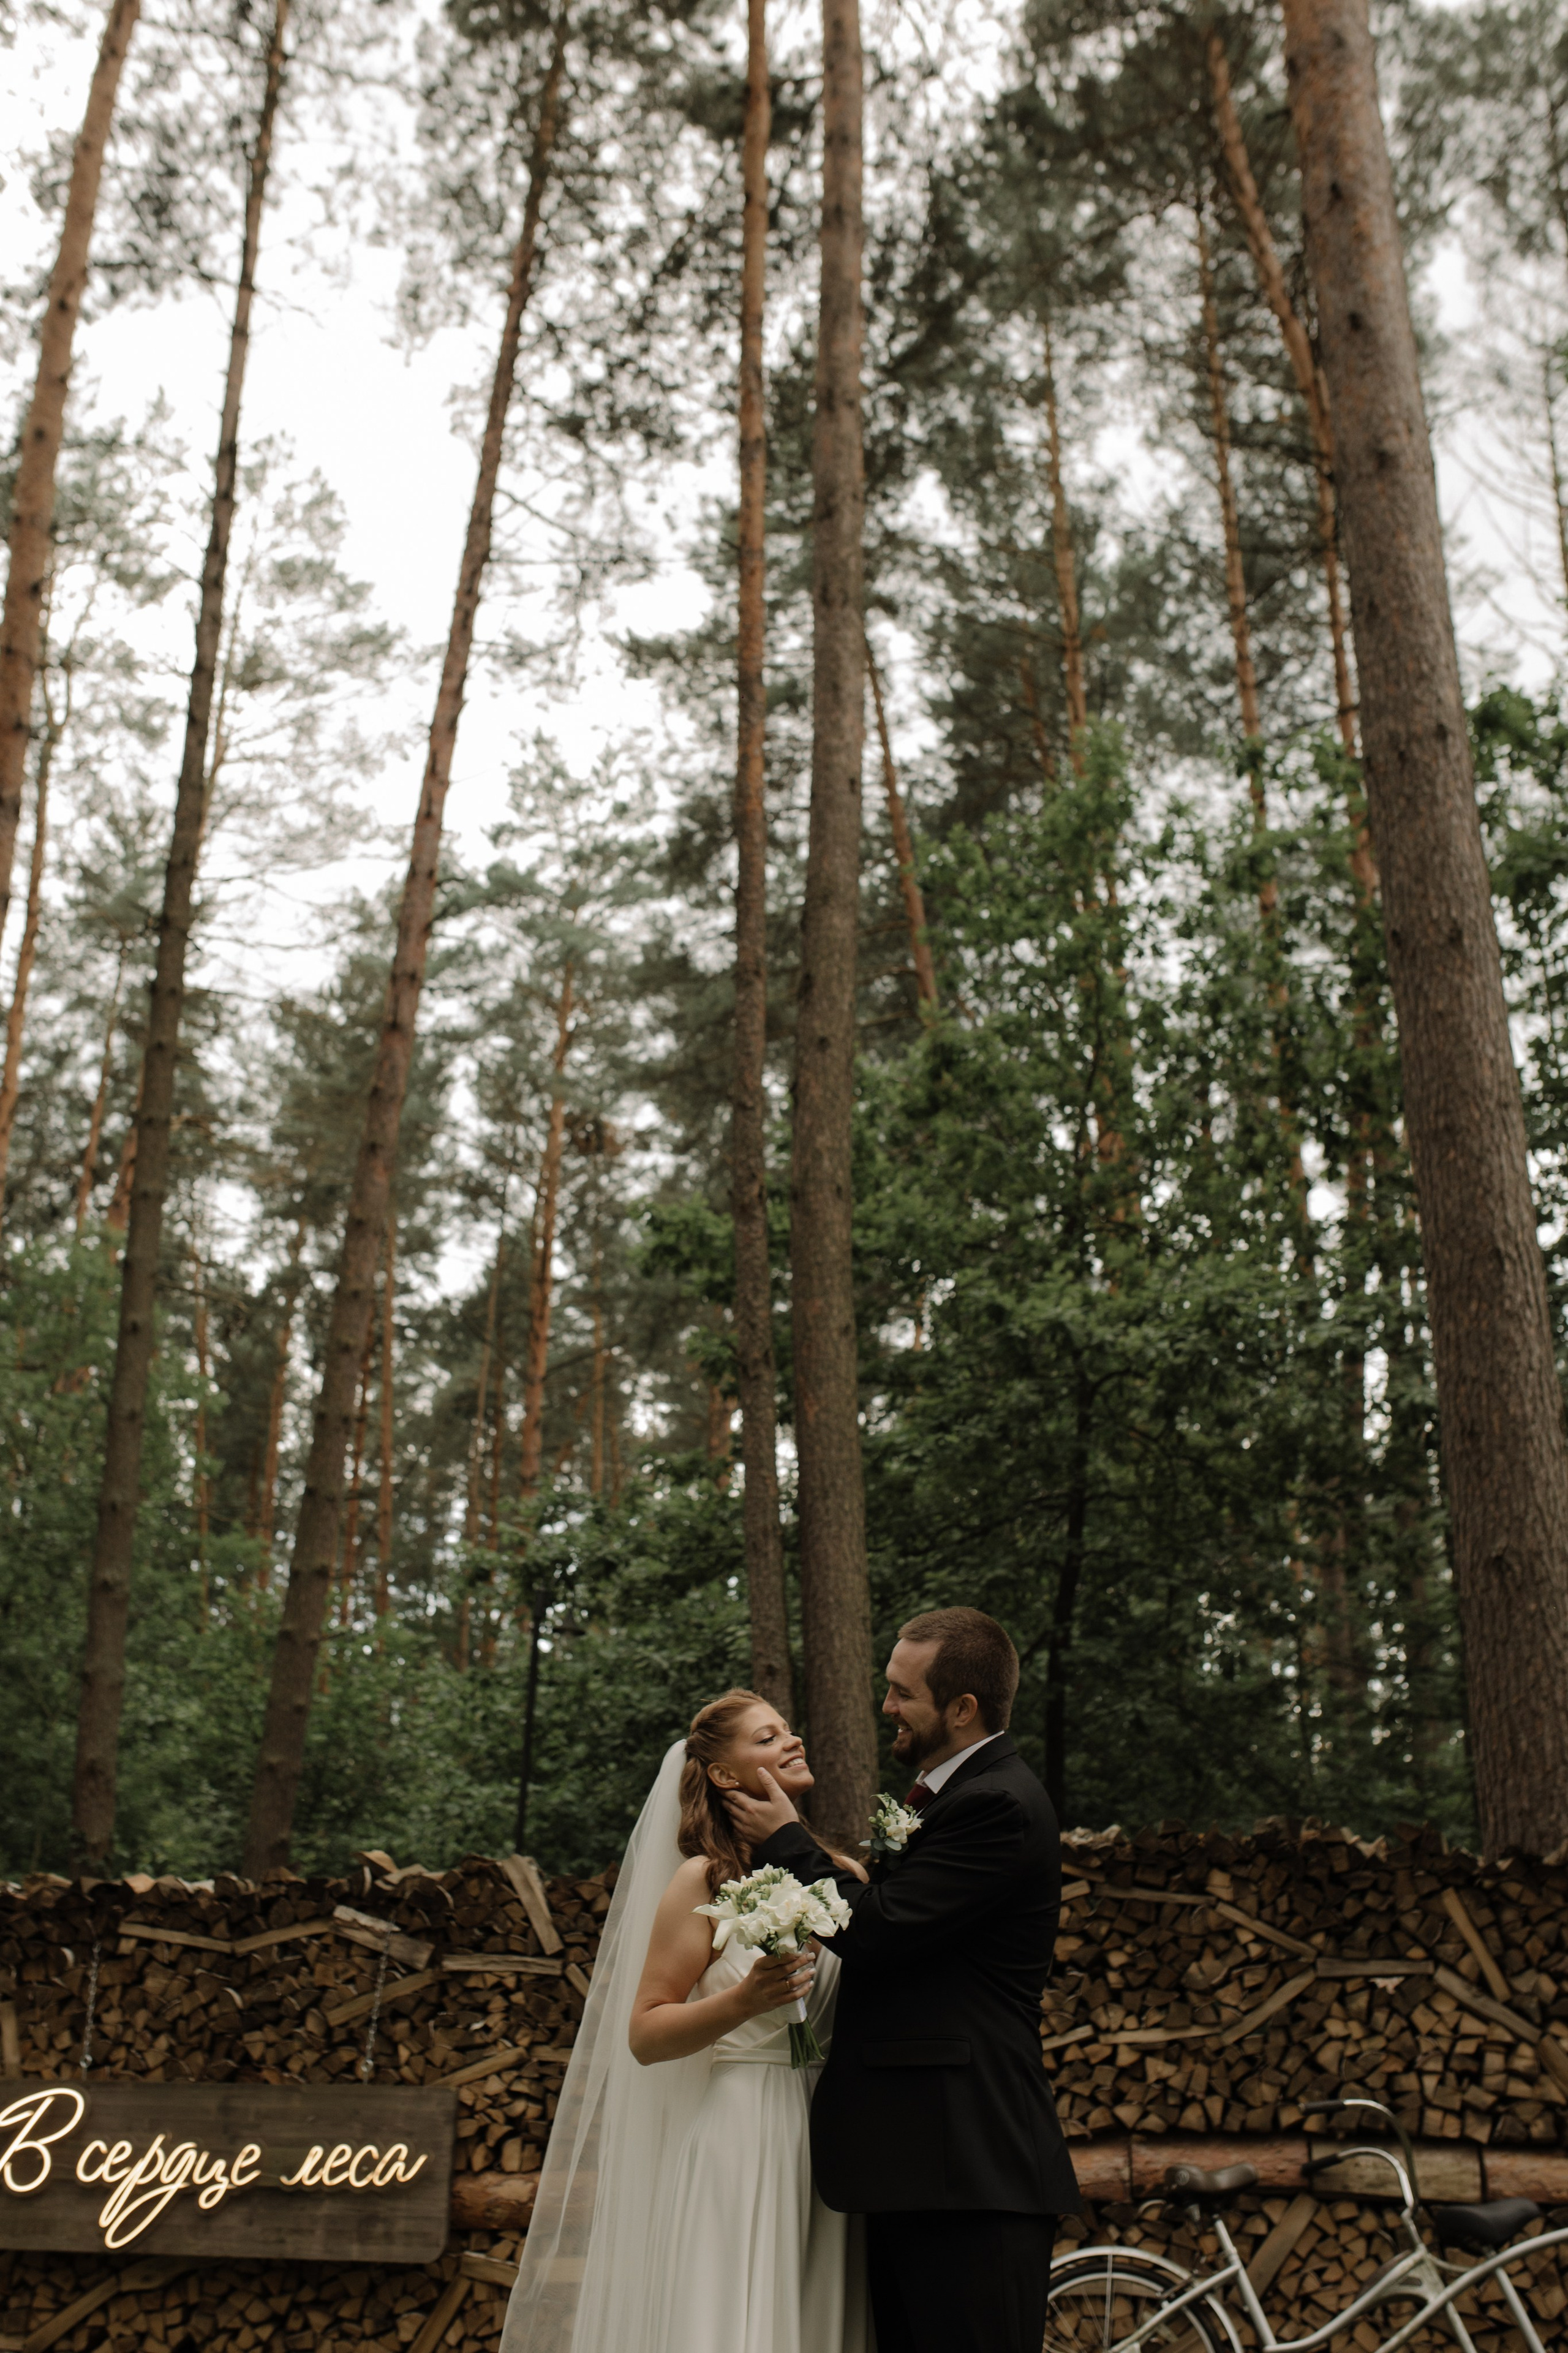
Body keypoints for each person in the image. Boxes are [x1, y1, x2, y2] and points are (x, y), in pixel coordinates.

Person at [727, 1605, 1080, 2353]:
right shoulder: (952, 1795)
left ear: (962, 1708)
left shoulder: (997, 1805)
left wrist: (787, 1840)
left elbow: (879, 1931)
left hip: (970, 2172)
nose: (885, 1705)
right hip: (919, 2167)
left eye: (901, 1692)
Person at [499, 1690, 870, 2353]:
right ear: (724, 1774)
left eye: (789, 1729)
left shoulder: (845, 1877)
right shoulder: (704, 1881)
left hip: (831, 2138)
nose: (791, 1740)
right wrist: (742, 2001)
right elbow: (643, 2033)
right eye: (766, 1737)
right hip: (742, 2133)